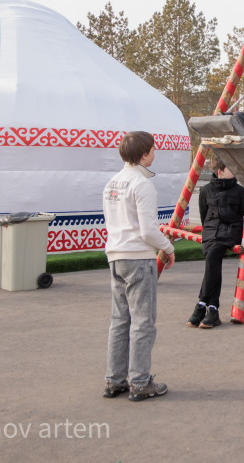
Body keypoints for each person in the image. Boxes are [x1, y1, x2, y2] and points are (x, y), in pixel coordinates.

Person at [102, 131, 176, 401]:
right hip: (138, 258)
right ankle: (140, 382)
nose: (155, 153)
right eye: (153, 150)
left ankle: (114, 380)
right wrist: (168, 248)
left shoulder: (113, 182)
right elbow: (148, 230)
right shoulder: (142, 184)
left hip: (116, 256)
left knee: (119, 321)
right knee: (143, 322)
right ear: (144, 154)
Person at [187, 154, 244, 329]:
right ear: (220, 172)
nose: (235, 173)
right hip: (211, 233)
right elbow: (204, 217)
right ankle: (209, 308)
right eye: (231, 170)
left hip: (230, 233)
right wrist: (209, 233)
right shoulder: (205, 191)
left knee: (212, 257)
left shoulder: (240, 192)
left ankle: (204, 306)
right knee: (212, 260)